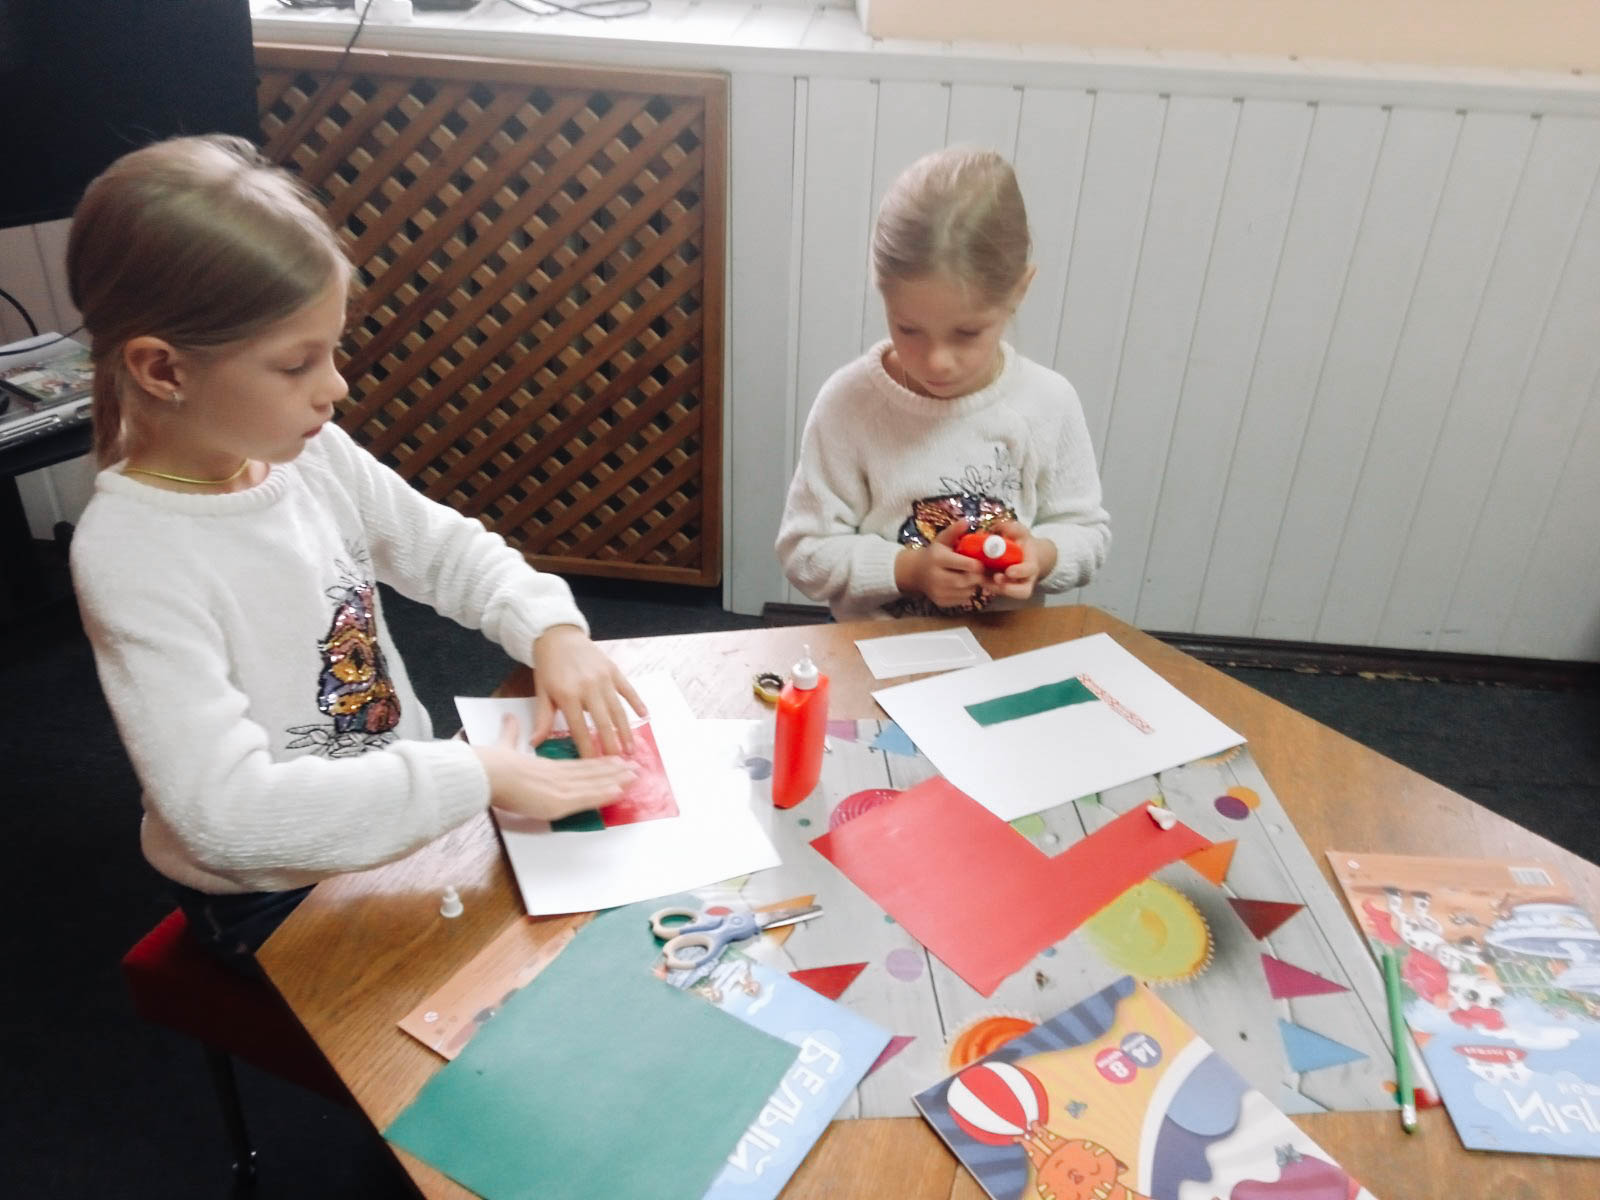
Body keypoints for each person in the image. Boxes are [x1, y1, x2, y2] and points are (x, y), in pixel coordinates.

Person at [67, 135, 644, 970]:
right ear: (163, 370)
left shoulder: (310, 456)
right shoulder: (132, 552)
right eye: (296, 363)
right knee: (516, 991)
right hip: (271, 892)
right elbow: (226, 817)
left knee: (597, 923)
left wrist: (552, 631)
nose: (335, 386)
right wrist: (475, 776)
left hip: (402, 811)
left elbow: (446, 551)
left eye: (331, 351)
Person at [776, 147, 1110, 621]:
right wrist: (908, 570)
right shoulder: (849, 403)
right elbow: (804, 552)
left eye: (967, 333)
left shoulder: (1048, 404)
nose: (937, 361)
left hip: (1004, 651)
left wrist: (1042, 555)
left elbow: (1088, 534)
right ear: (881, 289)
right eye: (908, 329)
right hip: (876, 649)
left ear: (1019, 290)